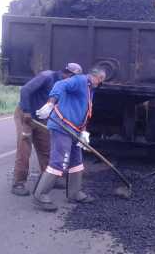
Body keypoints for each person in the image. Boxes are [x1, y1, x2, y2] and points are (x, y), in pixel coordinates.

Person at [32, 68, 107, 212]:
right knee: (59, 161)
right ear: (96, 77)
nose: (100, 84)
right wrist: (51, 103)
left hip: (75, 130)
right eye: (101, 80)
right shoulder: (80, 80)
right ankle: (40, 195)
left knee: (77, 162)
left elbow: (85, 111)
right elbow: (60, 85)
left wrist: (84, 131)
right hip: (62, 127)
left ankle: (74, 193)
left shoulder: (90, 90)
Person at [11, 63, 83, 196]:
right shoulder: (46, 76)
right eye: (75, 78)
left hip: (42, 118)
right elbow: (25, 90)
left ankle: (49, 180)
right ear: (69, 74)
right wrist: (27, 112)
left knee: (46, 148)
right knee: (24, 148)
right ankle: (18, 183)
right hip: (25, 115)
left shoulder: (65, 85)